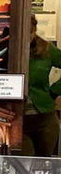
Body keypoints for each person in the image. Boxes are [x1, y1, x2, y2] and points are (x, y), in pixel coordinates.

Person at [23, 14, 61, 157]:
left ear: (34, 30)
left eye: (29, 33)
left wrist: (54, 91)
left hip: (44, 117)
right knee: (23, 162)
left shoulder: (46, 48)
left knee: (44, 163)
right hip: (17, 120)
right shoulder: (6, 48)